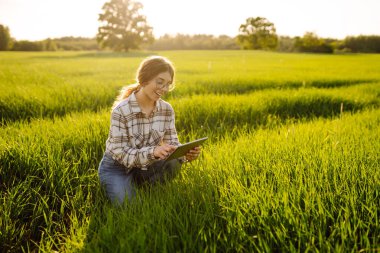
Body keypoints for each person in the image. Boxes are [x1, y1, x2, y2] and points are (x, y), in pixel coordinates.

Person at [98, 56, 201, 204]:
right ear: (144, 79)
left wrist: (186, 155)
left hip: (146, 165)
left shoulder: (166, 110)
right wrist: (153, 152)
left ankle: (143, 187)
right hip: (117, 167)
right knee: (132, 209)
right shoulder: (121, 110)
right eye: (160, 82)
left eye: (168, 84)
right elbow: (120, 153)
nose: (164, 89)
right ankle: (128, 186)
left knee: (173, 162)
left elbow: (173, 144)